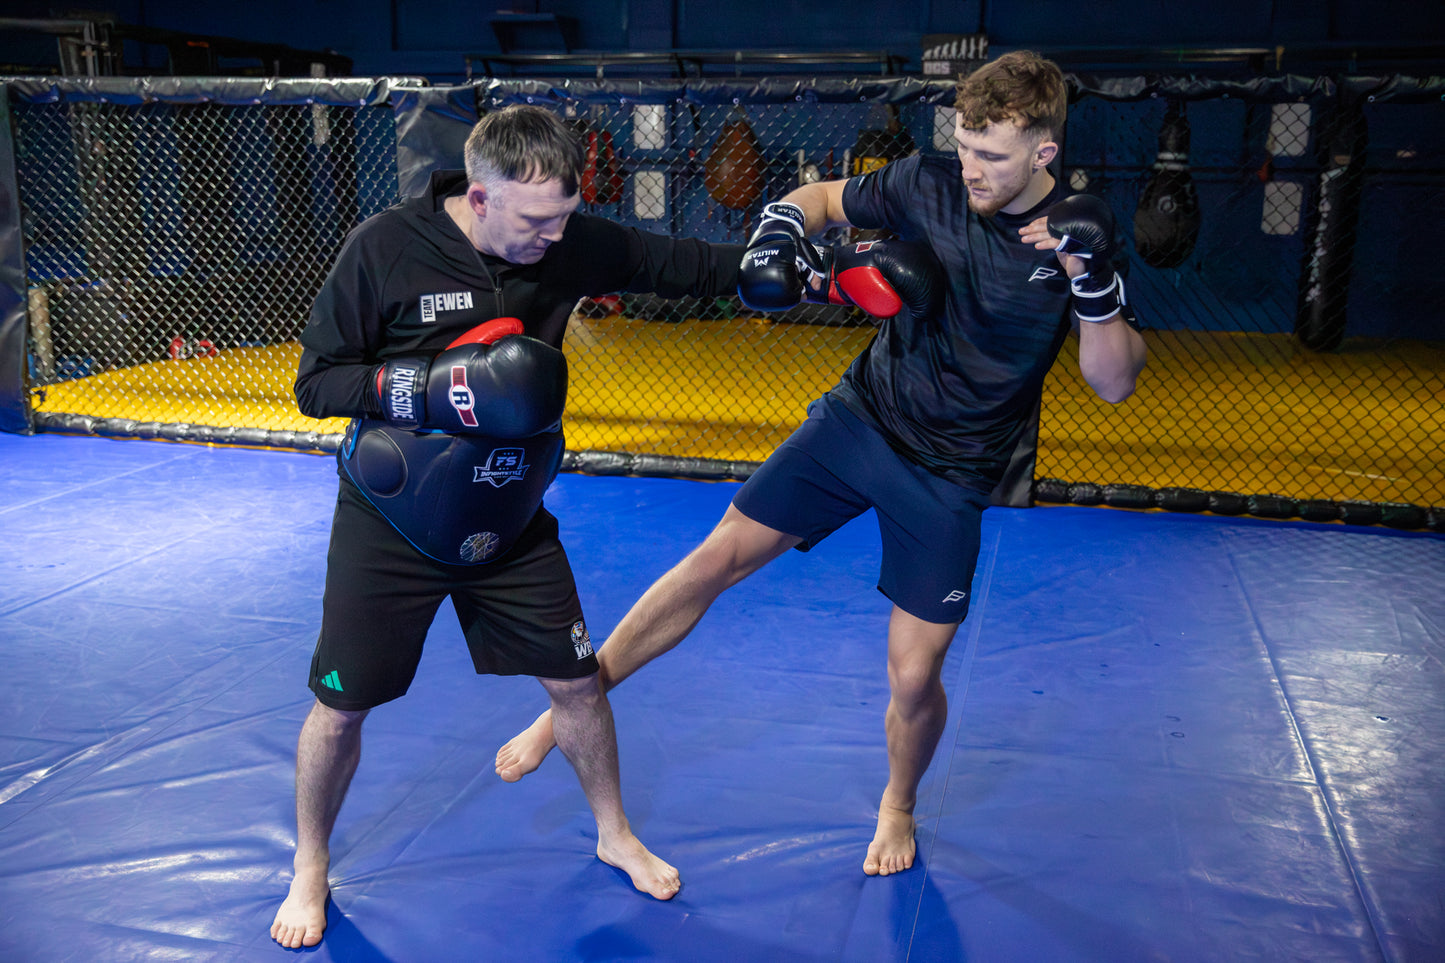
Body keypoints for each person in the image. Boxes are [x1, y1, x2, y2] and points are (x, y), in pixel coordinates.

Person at [495, 51, 1149, 878]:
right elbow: (818, 199)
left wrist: (1088, 281)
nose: (971, 168)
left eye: (992, 155)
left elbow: (1113, 381)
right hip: (860, 418)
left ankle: (898, 801)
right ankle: (568, 712)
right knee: (712, 560)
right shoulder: (926, 181)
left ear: (1043, 153)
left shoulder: (1075, 231)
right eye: (964, 144)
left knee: (914, 676)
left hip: (952, 472)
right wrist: (781, 230)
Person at [271, 104, 744, 949]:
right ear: (479, 197)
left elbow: (687, 266)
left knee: (577, 681)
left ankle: (613, 830)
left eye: (564, 215)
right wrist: (426, 387)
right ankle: (310, 862)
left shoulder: (563, 239)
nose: (553, 236)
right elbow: (317, 384)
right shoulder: (384, 247)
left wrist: (794, 269)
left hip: (505, 511)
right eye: (535, 220)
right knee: (339, 707)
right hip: (391, 519)